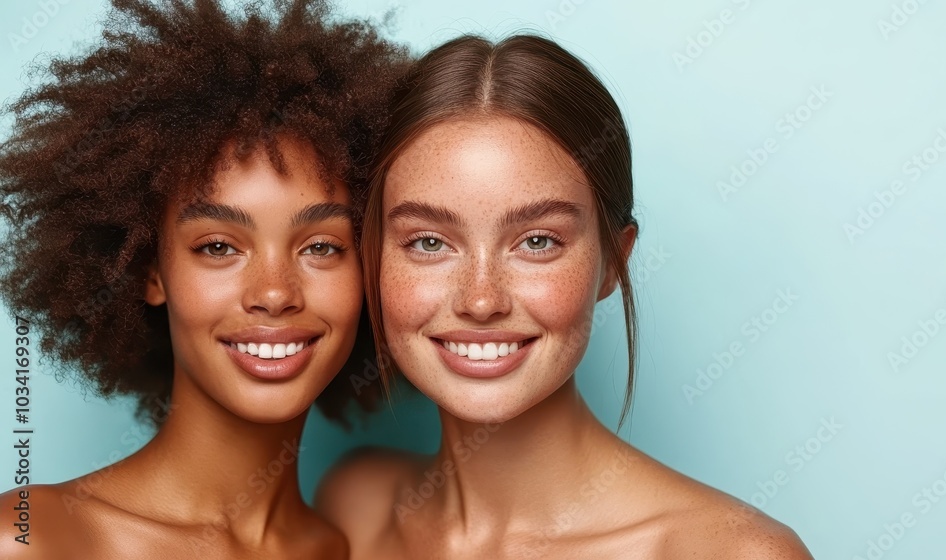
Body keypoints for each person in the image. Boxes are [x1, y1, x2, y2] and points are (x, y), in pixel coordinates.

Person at [316, 34, 813, 558]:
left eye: (537, 242)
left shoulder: (733, 553)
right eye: (429, 242)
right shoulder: (353, 507)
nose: (481, 300)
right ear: (372, 257)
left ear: (611, 264)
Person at [0, 0, 406, 557]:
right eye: (218, 247)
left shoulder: (348, 548)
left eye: (321, 247)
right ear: (150, 270)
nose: (273, 293)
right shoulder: (32, 539)